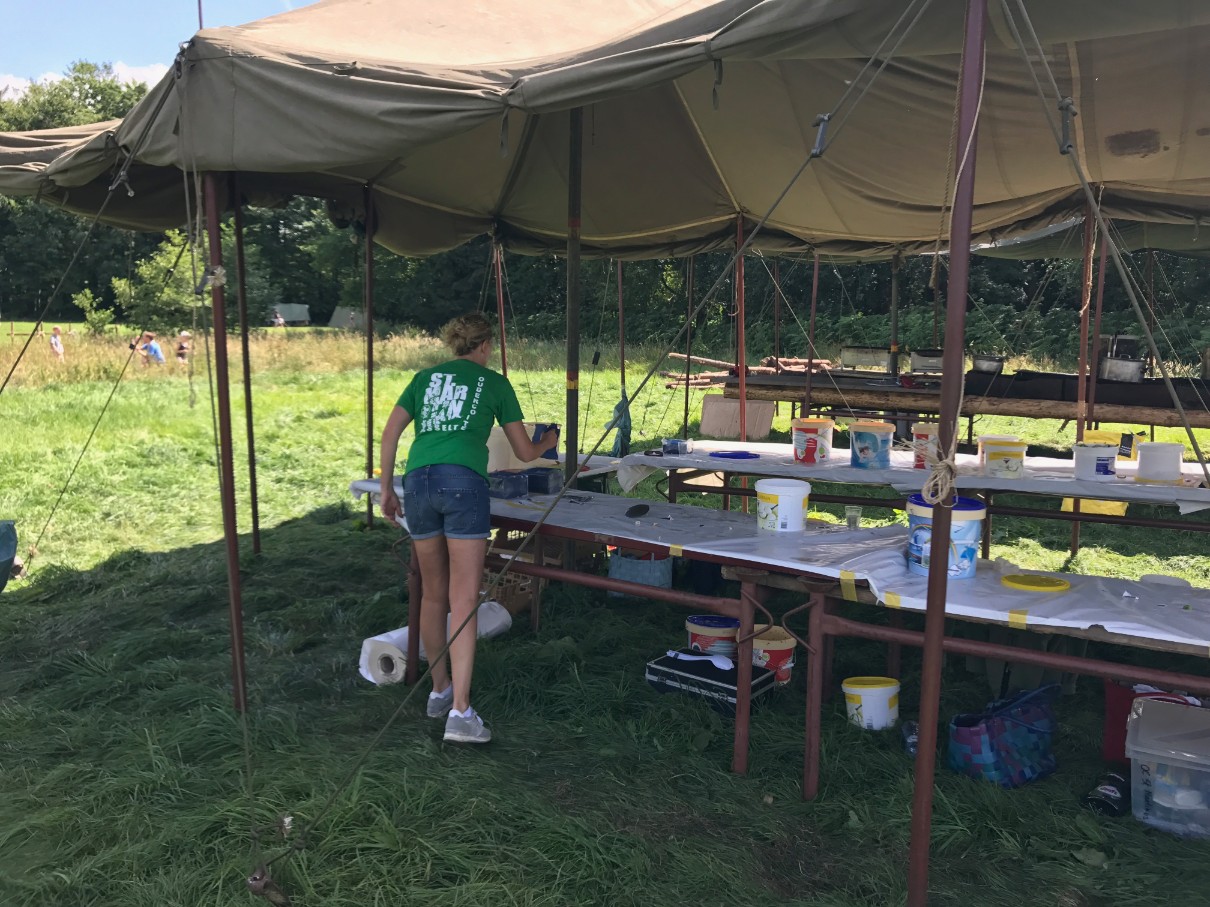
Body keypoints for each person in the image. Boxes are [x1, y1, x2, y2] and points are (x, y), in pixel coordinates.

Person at [379, 312, 557, 744]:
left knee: (432, 593)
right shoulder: (493, 382)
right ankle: (461, 711)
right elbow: (524, 452)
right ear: (484, 346)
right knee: (463, 599)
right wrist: (547, 443)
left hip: (417, 482)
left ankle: (439, 691)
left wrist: (387, 488)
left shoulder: (424, 379)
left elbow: (390, 433)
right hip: (462, 483)